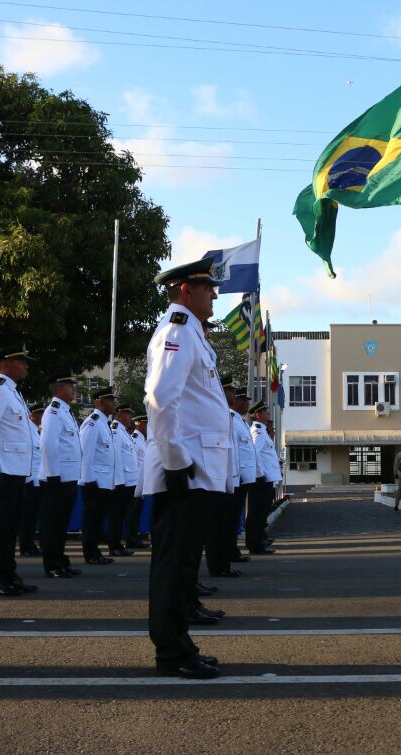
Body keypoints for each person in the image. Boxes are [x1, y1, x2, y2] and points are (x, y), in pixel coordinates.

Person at [144, 257, 230, 679]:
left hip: (196, 469)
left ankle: (180, 643)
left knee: (183, 566)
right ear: (184, 290)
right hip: (185, 471)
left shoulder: (192, 333)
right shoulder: (176, 329)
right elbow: (160, 399)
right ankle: (171, 652)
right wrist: (176, 462)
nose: (214, 294)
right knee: (173, 564)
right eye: (207, 287)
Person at [0, 344, 38, 596]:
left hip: (16, 472)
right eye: (21, 361)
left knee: (10, 528)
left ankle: (9, 573)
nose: (26, 365)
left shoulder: (13, 393)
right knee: (0, 529)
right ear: (4, 365)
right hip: (3, 473)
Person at [39, 375, 82, 578]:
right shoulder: (53, 411)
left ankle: (61, 561)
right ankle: (52, 564)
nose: (74, 390)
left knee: (61, 523)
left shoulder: (65, 411)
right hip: (57, 478)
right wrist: (53, 474)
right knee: (52, 523)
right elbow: (48, 444)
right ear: (58, 390)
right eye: (70, 387)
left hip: (68, 476)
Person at [78, 386, 118, 565]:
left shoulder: (103, 423)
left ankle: (95, 551)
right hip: (94, 481)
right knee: (92, 520)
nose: (113, 404)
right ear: (100, 402)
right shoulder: (92, 422)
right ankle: (90, 553)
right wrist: (88, 480)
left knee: (98, 519)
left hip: (104, 481)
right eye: (110, 400)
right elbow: (85, 453)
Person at [225, 386, 256, 566]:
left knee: (234, 518)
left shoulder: (240, 421)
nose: (246, 404)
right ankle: (229, 551)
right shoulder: (231, 420)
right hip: (236, 477)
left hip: (241, 477)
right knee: (229, 519)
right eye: (243, 400)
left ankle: (232, 550)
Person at [248, 401, 281, 554]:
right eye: (266, 413)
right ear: (257, 415)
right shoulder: (258, 432)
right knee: (258, 514)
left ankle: (259, 541)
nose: (269, 416)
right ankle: (256, 545)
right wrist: (260, 475)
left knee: (261, 514)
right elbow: (254, 454)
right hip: (262, 480)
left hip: (266, 479)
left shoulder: (262, 431)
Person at [107, 403, 139, 557]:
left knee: (122, 514)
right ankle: (114, 545)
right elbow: (116, 458)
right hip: (122, 482)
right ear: (119, 414)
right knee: (117, 515)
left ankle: (117, 543)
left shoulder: (122, 431)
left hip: (129, 480)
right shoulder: (115, 430)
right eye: (127, 414)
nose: (130, 418)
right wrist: (118, 481)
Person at [19, 405, 44, 557]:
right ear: (32, 415)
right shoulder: (27, 430)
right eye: (40, 414)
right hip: (28, 480)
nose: (42, 417)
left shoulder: (37, 431)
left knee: (33, 515)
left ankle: (30, 544)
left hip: (37, 480)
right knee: (27, 516)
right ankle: (25, 545)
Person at [123, 414, 148, 550]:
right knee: (132, 513)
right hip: (134, 482)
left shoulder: (143, 440)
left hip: (140, 483)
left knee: (136, 512)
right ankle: (131, 539)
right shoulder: (135, 439)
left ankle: (135, 538)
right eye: (147, 424)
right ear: (141, 424)